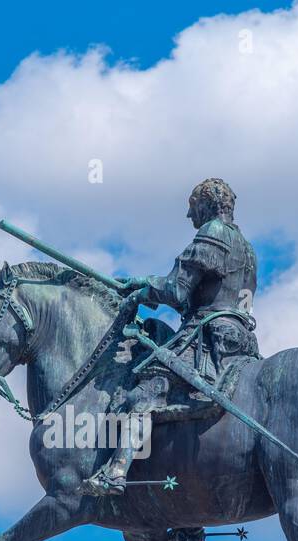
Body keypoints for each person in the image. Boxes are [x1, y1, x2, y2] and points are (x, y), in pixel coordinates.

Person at [83, 178, 260, 496]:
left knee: (143, 395)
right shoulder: (246, 247)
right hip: (241, 340)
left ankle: (116, 472)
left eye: (191, 208)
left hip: (209, 336)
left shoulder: (212, 233)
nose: (189, 217)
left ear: (206, 204)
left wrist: (142, 286)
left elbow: (178, 290)